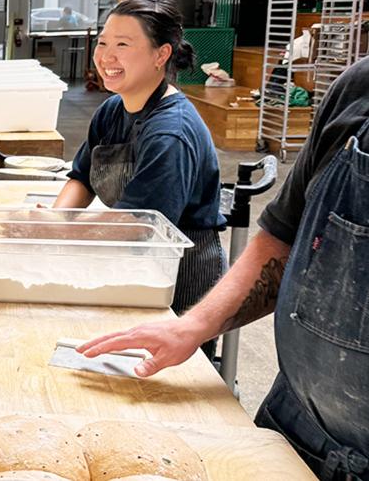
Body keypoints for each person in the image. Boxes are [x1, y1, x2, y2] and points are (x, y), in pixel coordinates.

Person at [79, 58, 369, 479]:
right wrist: (190, 327)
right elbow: (281, 239)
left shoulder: (171, 129)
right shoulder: (357, 88)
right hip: (296, 425)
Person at [53, 0, 226, 319]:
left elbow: (140, 226)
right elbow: (81, 178)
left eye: (123, 44)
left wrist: (58, 232)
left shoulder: (170, 134)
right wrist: (54, 221)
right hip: (131, 253)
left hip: (178, 267)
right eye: (103, 43)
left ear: (161, 54)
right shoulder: (114, 109)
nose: (106, 56)